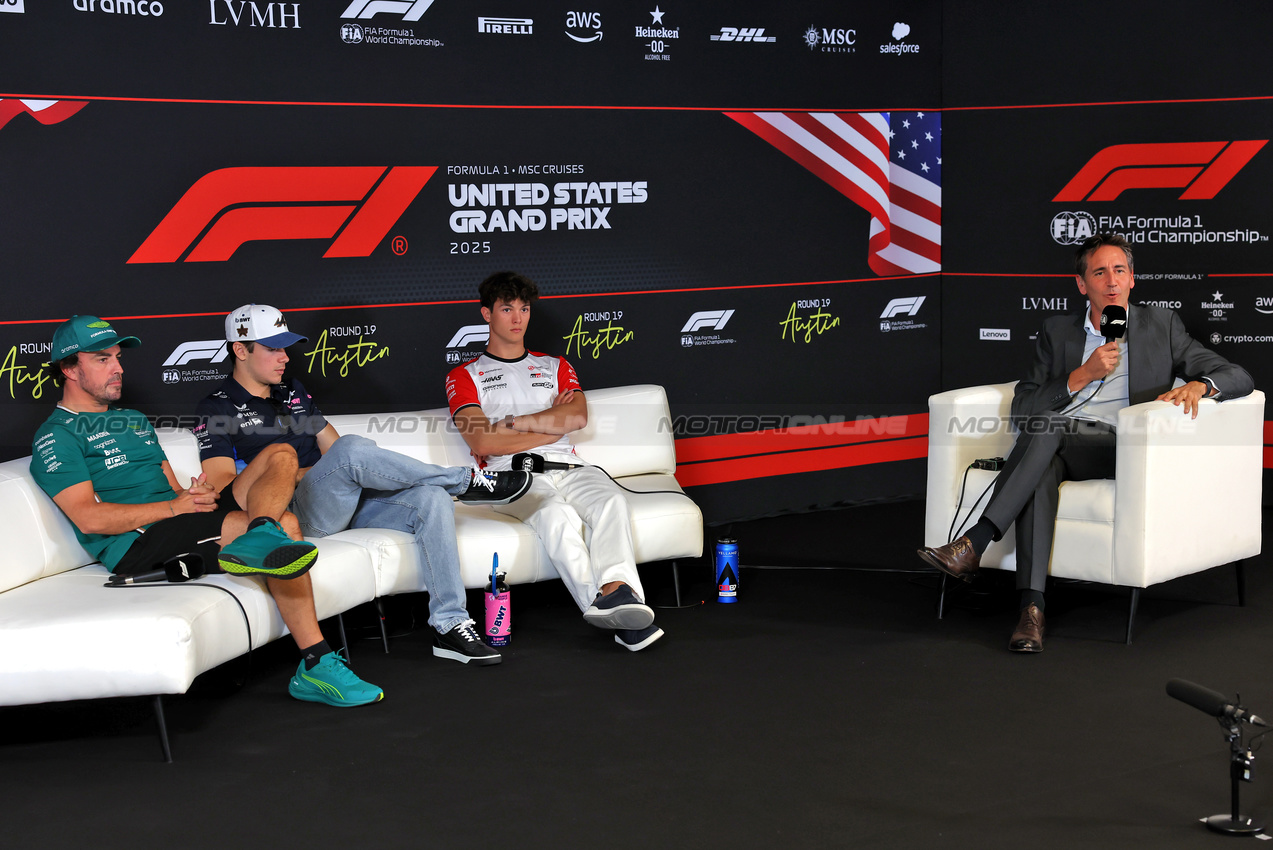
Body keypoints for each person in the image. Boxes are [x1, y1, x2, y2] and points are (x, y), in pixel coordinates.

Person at [918, 233, 1254, 652]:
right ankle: (1032, 611)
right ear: (1082, 285)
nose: (1111, 281)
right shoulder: (1057, 331)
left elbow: (1239, 377)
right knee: (1042, 461)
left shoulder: (1161, 324)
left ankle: (977, 541)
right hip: (1060, 447)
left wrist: (1202, 386)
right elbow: (1022, 408)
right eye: (1099, 272)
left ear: (1132, 279)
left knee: (1048, 427)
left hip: (1121, 449)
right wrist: (1080, 375)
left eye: (1119, 270)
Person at [31, 315, 384, 707]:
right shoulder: (56, 435)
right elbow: (88, 517)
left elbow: (173, 491)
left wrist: (193, 496)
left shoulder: (132, 420)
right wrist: (173, 506)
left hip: (174, 521)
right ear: (68, 368)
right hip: (135, 545)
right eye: (102, 360)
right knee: (286, 522)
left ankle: (262, 529)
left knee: (280, 454)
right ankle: (316, 665)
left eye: (117, 357)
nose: (118, 368)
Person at [194, 304, 532, 667]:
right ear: (240, 350)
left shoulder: (292, 391)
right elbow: (228, 489)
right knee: (354, 451)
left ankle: (449, 624)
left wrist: (334, 470)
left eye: (285, 347)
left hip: (335, 501)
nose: (285, 358)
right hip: (288, 516)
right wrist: (304, 472)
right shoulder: (217, 408)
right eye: (273, 348)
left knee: (431, 499)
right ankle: (464, 481)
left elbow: (338, 455)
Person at [445, 271, 663, 651]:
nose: (517, 318)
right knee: (555, 515)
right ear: (486, 314)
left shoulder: (554, 366)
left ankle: (616, 594)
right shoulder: (465, 375)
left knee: (612, 501)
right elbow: (481, 438)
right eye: (507, 308)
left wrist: (511, 424)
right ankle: (617, 613)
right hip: (510, 474)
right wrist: (549, 424)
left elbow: (576, 419)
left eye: (524, 308)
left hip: (570, 467)